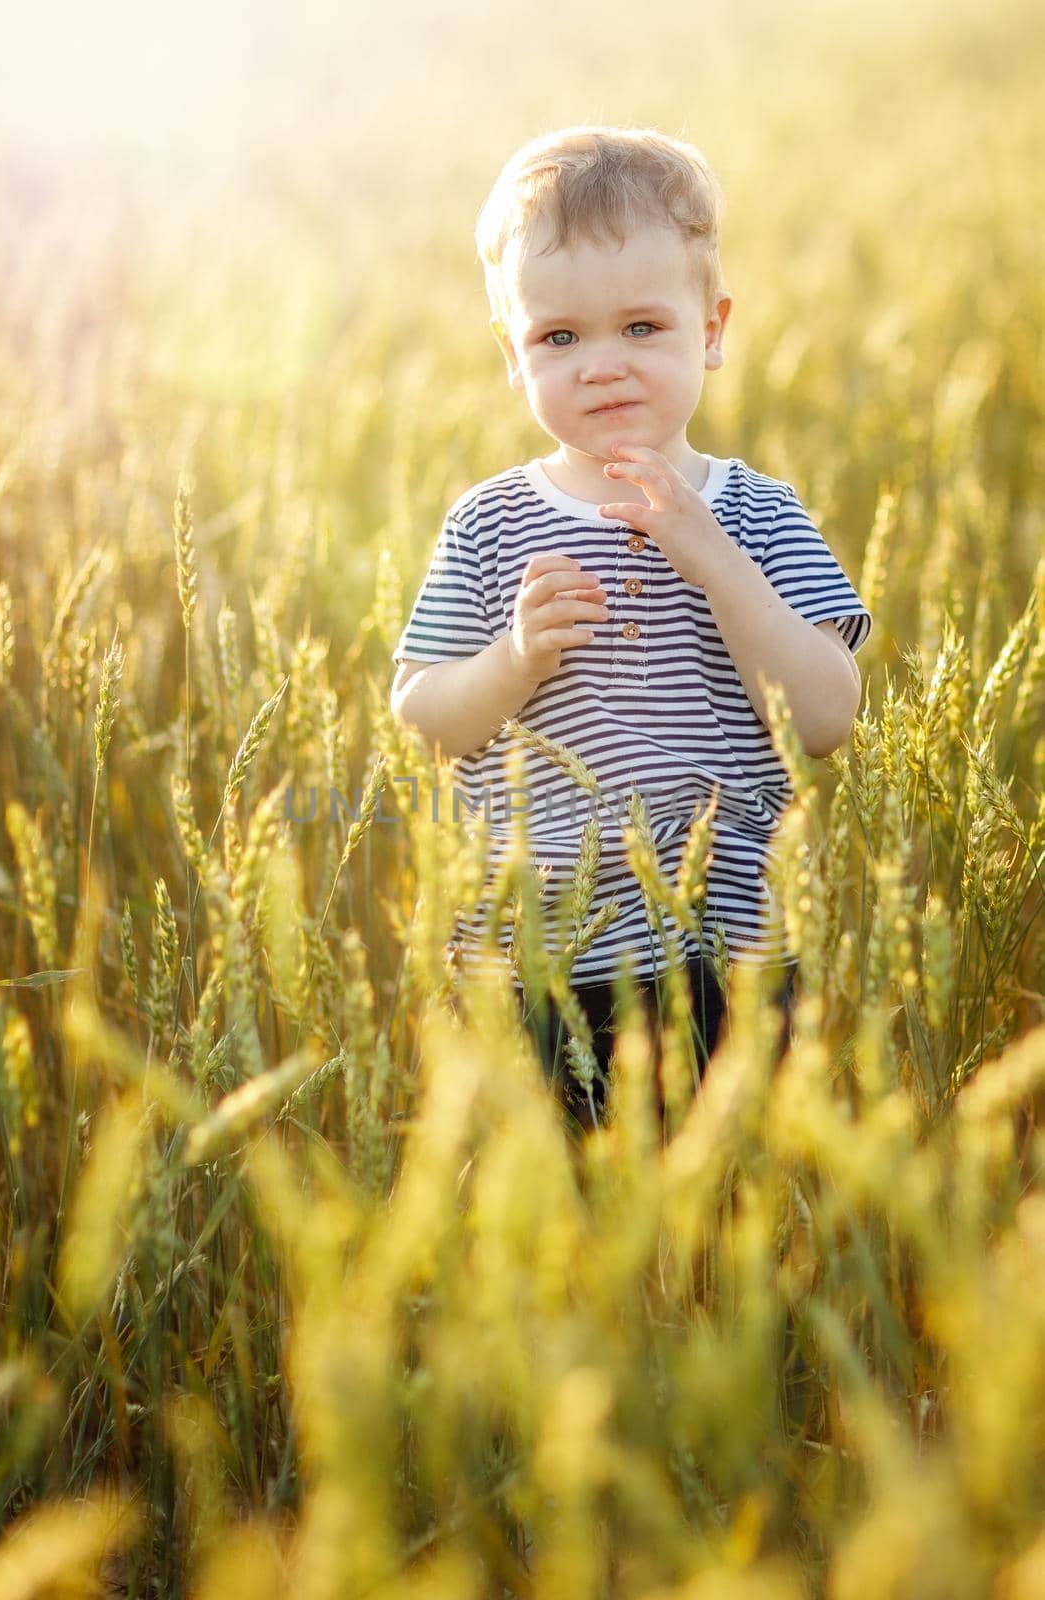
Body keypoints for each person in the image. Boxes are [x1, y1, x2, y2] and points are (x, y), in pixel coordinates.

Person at [389, 125, 872, 1132]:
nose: (600, 365)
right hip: (541, 962)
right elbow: (424, 716)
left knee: (727, 1214)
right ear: (510, 358)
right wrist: (511, 660)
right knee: (564, 1224)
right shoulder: (485, 526)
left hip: (730, 954)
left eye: (640, 328)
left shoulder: (754, 512)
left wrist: (706, 555)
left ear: (710, 328)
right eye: (557, 338)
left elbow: (825, 715)